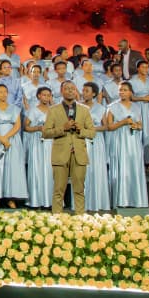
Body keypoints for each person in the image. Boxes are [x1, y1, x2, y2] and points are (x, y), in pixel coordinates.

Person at [43, 81, 95, 214]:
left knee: (79, 190)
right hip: (60, 155)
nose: (70, 91)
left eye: (72, 88)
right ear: (61, 91)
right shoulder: (53, 110)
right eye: (67, 88)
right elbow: (46, 133)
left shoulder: (84, 110)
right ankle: (57, 219)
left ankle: (80, 218)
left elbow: (92, 133)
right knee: (58, 190)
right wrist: (63, 128)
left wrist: (81, 129)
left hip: (79, 155)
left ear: (76, 91)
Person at [0, 83, 28, 209]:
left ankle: (10, 198)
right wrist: (1, 139)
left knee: (11, 167)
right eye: (0, 92)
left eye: (5, 92)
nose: (3, 94)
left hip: (12, 139)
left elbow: (17, 126)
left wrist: (6, 138)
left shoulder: (15, 108)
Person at [104, 82, 148, 208]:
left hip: (133, 140)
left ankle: (136, 200)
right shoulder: (112, 107)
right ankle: (121, 200)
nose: (122, 92)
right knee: (121, 167)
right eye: (120, 90)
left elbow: (140, 124)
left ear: (130, 92)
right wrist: (123, 122)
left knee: (134, 167)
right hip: (119, 139)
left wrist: (136, 126)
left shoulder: (136, 107)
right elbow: (109, 127)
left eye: (125, 90)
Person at [81, 82, 110, 212]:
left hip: (97, 141)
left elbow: (105, 126)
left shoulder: (101, 108)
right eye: (83, 90)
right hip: (82, 140)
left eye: (87, 91)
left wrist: (92, 128)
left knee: (97, 169)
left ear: (93, 94)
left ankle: (98, 202)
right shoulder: (77, 106)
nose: (84, 93)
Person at [24, 86, 54, 209]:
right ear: (38, 96)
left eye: (48, 95)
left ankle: (49, 200)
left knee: (49, 169)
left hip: (50, 142)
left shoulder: (54, 110)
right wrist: (37, 128)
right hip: (37, 141)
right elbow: (26, 127)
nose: (46, 97)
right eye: (44, 95)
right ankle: (36, 200)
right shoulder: (33, 110)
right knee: (37, 168)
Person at [129, 60, 149, 166]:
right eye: (143, 67)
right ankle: (139, 161)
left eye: (147, 67)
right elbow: (130, 97)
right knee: (140, 131)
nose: (145, 69)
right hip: (138, 108)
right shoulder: (132, 81)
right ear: (138, 68)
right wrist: (142, 98)